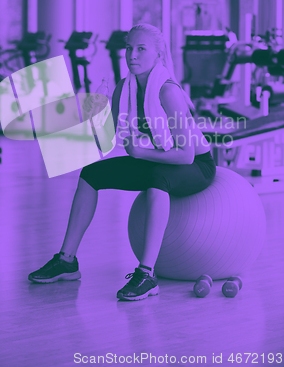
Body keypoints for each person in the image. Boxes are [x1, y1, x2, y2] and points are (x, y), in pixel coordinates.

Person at [28, 23, 216, 300]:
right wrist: (93, 113)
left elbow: (186, 155)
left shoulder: (168, 93)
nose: (133, 55)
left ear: (158, 56)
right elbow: (107, 140)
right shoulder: (123, 89)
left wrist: (141, 154)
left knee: (157, 180)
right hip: (159, 161)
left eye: (141, 49)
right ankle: (67, 260)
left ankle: (146, 274)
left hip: (195, 166)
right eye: (129, 48)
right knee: (91, 173)